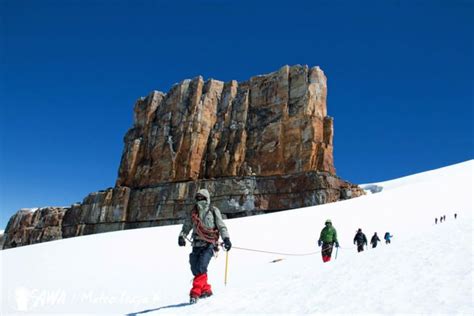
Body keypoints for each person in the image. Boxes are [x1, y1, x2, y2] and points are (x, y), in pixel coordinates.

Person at [178, 189, 232, 304]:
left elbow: (221, 226)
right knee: (195, 267)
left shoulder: (213, 210)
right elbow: (187, 226)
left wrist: (226, 238)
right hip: (196, 244)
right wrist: (182, 237)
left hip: (209, 244)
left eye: (202, 197)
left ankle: (195, 293)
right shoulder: (193, 212)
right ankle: (206, 290)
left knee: (202, 267)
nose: (199, 200)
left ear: (206, 198)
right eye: (198, 197)